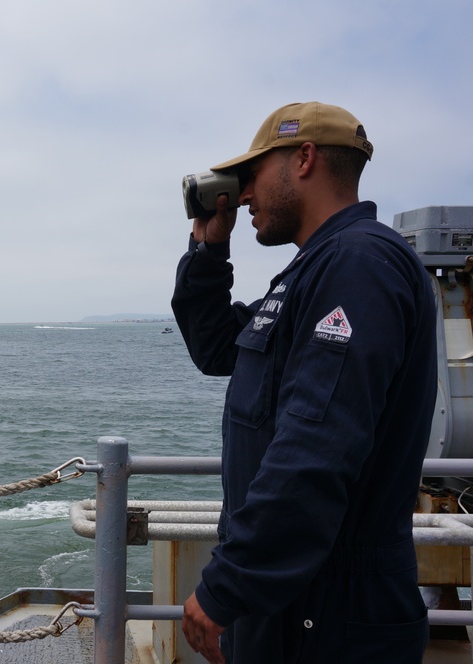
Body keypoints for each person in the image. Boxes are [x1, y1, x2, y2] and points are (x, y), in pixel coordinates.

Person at [171, 102, 436, 663]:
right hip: (291, 599)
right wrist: (208, 247)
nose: (242, 196)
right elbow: (217, 345)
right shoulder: (316, 272)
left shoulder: (358, 265)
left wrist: (229, 583)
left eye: (254, 175)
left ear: (305, 159)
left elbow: (316, 447)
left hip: (333, 612)